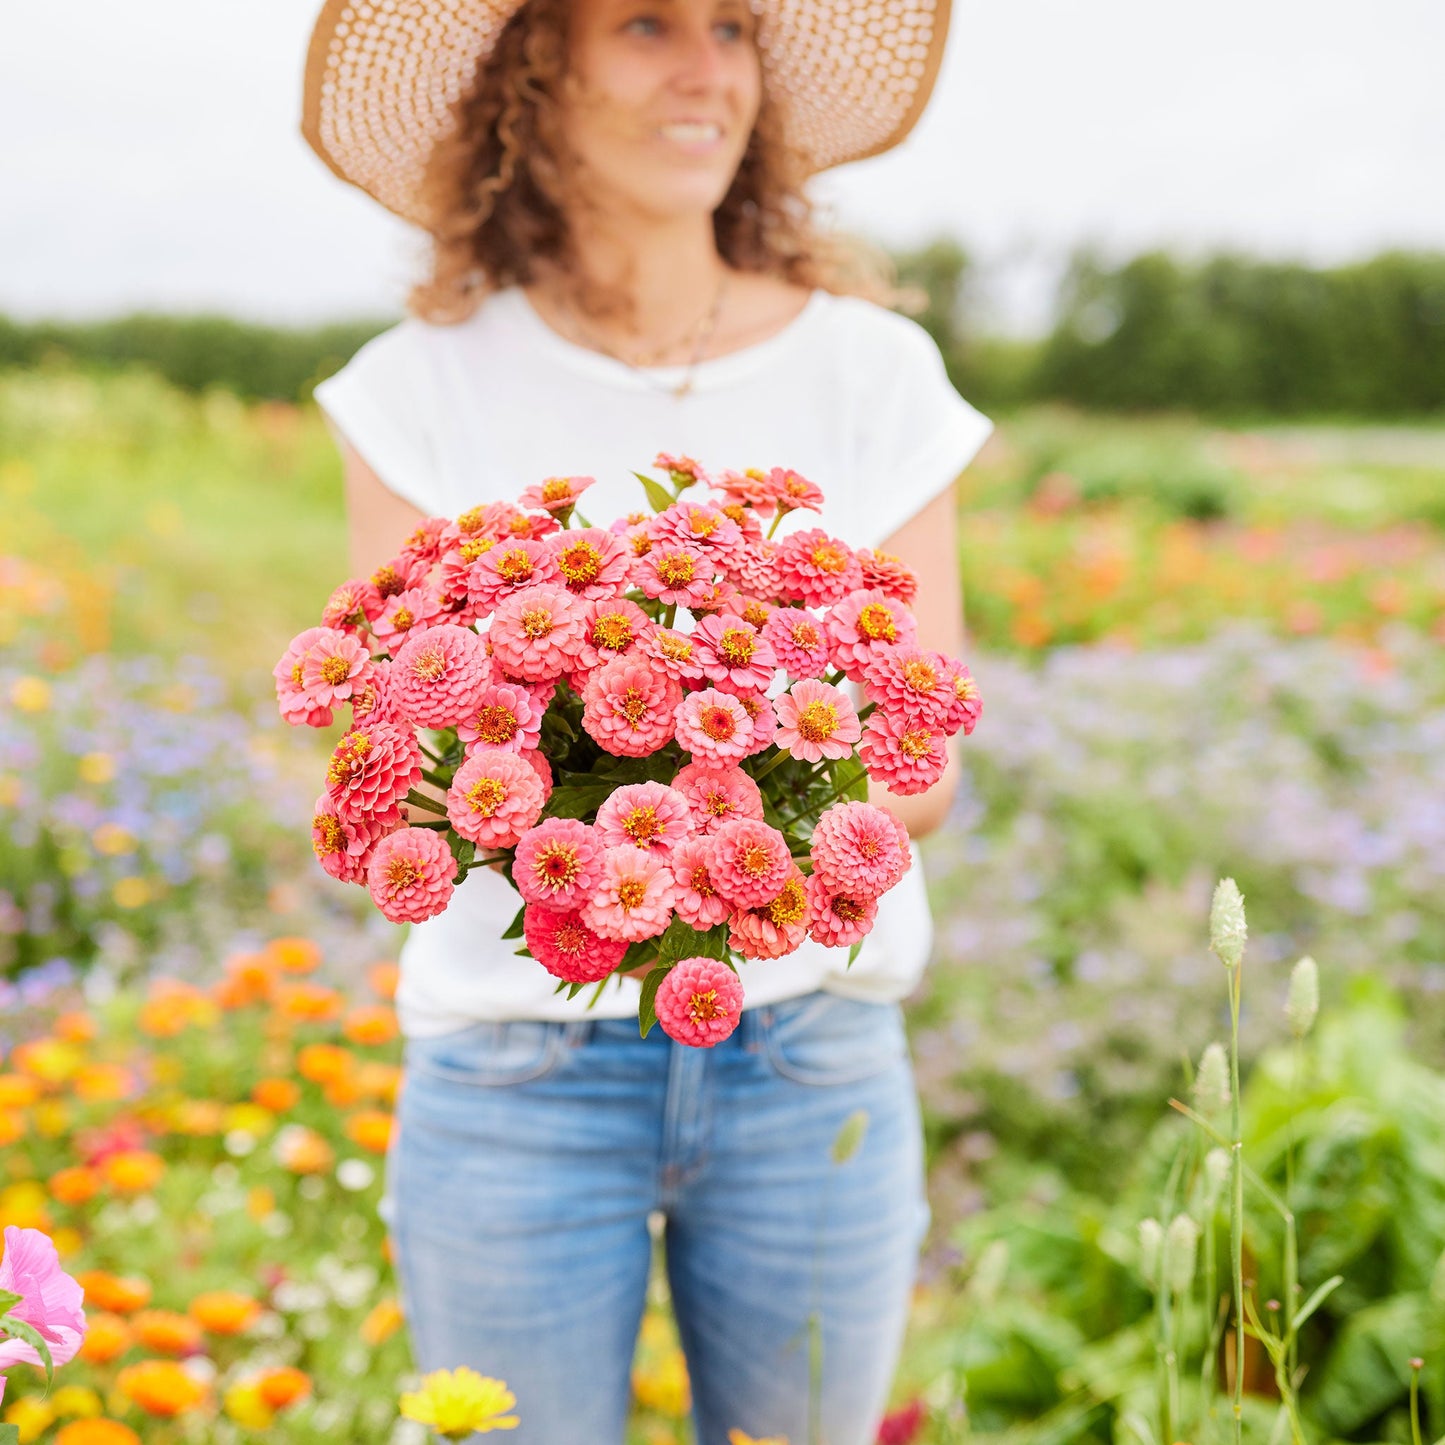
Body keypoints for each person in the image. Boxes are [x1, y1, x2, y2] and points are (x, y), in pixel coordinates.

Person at [301, 0, 993, 1438]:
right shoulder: (419, 385)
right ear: (529, 75)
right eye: (646, 23)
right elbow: (392, 739)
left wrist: (691, 778)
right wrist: (665, 779)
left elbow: (917, 761)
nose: (706, 69)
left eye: (736, 28)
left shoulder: (872, 370)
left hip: (807, 1057)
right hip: (514, 1070)